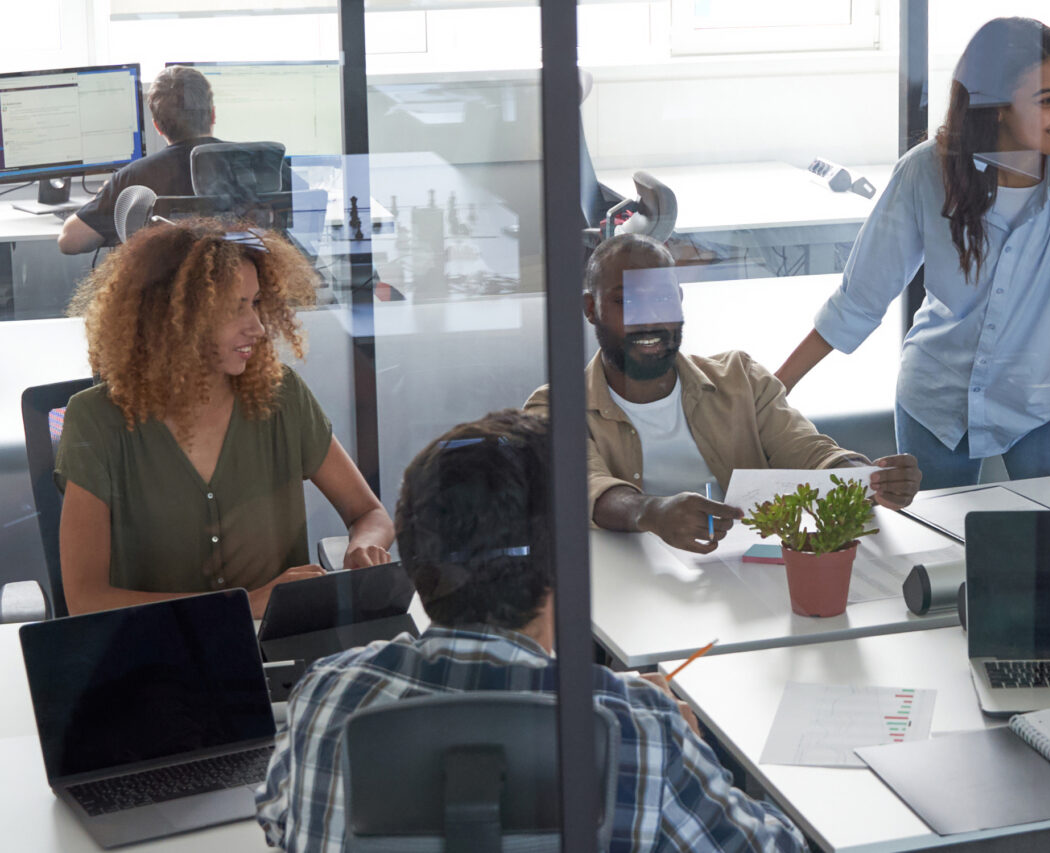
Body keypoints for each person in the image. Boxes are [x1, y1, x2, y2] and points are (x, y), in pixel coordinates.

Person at [255, 410, 804, 852]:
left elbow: (280, 824)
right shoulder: (633, 726)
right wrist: (682, 742)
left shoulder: (327, 697)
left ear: (417, 566)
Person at [772, 17, 1050, 501]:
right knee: (937, 556)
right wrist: (770, 395)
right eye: (1047, 100)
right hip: (938, 400)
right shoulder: (926, 171)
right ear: (997, 108)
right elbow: (858, 300)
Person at [54, 219, 393, 617]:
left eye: (255, 303)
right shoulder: (95, 420)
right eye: (236, 309)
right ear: (175, 319)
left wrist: (363, 546)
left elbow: (369, 513)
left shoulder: (282, 396)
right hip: (155, 658)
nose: (259, 327)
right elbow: (85, 600)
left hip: (275, 654)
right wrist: (243, 605)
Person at [526, 234, 921, 553]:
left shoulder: (740, 378)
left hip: (750, 583)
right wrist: (653, 512)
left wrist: (869, 480)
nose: (649, 317)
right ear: (590, 309)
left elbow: (809, 453)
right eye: (625, 300)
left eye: (662, 297)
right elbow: (583, 485)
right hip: (630, 597)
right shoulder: (555, 407)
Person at [59, 65, 222, 254]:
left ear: (157, 126)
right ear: (212, 115)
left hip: (167, 283)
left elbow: (69, 242)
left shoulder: (133, 178)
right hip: (244, 281)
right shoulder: (254, 162)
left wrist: (101, 198)